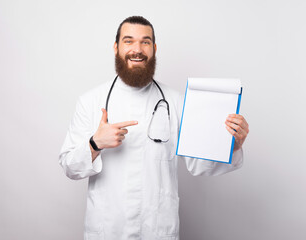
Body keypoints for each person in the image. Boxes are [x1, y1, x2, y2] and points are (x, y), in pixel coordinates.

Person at [59, 16, 249, 240]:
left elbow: (200, 164)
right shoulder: (90, 101)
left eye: (145, 42)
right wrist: (94, 144)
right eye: (128, 41)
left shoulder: (177, 102)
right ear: (116, 47)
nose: (137, 49)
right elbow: (70, 167)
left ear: (154, 49)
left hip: (157, 230)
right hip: (108, 230)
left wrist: (232, 145)